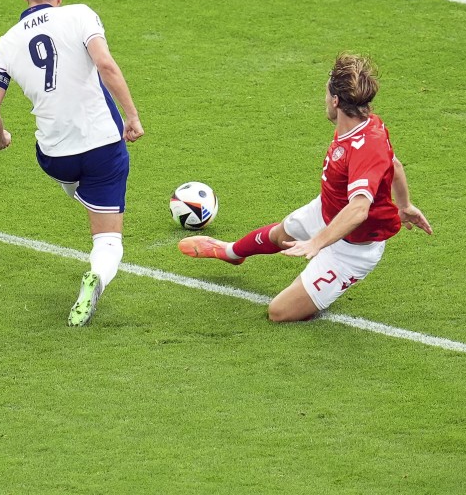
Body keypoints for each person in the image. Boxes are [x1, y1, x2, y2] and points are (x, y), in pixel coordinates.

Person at [178, 53, 432, 322]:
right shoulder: (365, 124)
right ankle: (230, 253)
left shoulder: (364, 146)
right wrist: (404, 205)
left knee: (279, 312)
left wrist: (317, 243)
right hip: (326, 210)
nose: (324, 99)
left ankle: (323, 289)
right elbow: (396, 165)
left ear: (335, 101)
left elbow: (359, 209)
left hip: (352, 248)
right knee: (279, 235)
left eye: (325, 93)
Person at [0, 0, 144, 327]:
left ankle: (86, 197)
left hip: (55, 155)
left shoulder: (5, 45)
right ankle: (96, 276)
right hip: (103, 144)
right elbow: (106, 65)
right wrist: (132, 115)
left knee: (79, 186)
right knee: (107, 238)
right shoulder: (80, 15)